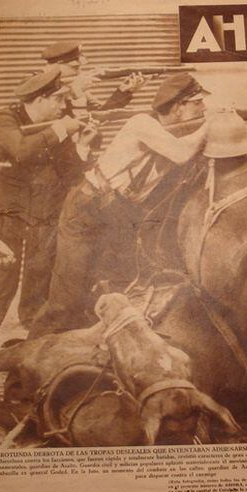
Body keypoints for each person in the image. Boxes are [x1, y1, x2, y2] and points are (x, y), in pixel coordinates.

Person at [29, 72, 210, 338]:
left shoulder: (179, 136)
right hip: (88, 208)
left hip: (120, 214)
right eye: (197, 103)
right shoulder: (141, 123)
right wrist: (210, 127)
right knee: (65, 300)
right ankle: (26, 365)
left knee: (120, 291)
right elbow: (182, 154)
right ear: (179, 106)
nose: (203, 108)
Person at [0, 66, 98, 332]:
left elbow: (69, 172)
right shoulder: (5, 118)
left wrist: (83, 145)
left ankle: (33, 335)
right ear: (41, 99)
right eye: (59, 100)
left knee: (40, 274)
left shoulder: (57, 124)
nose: (63, 106)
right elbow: (20, 151)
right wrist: (59, 130)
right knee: (2, 280)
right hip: (6, 211)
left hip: (41, 210)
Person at [41, 39, 145, 116]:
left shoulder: (71, 85)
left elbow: (100, 114)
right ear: (59, 64)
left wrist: (124, 91)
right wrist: (77, 93)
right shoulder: (37, 89)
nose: (79, 72)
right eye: (75, 67)